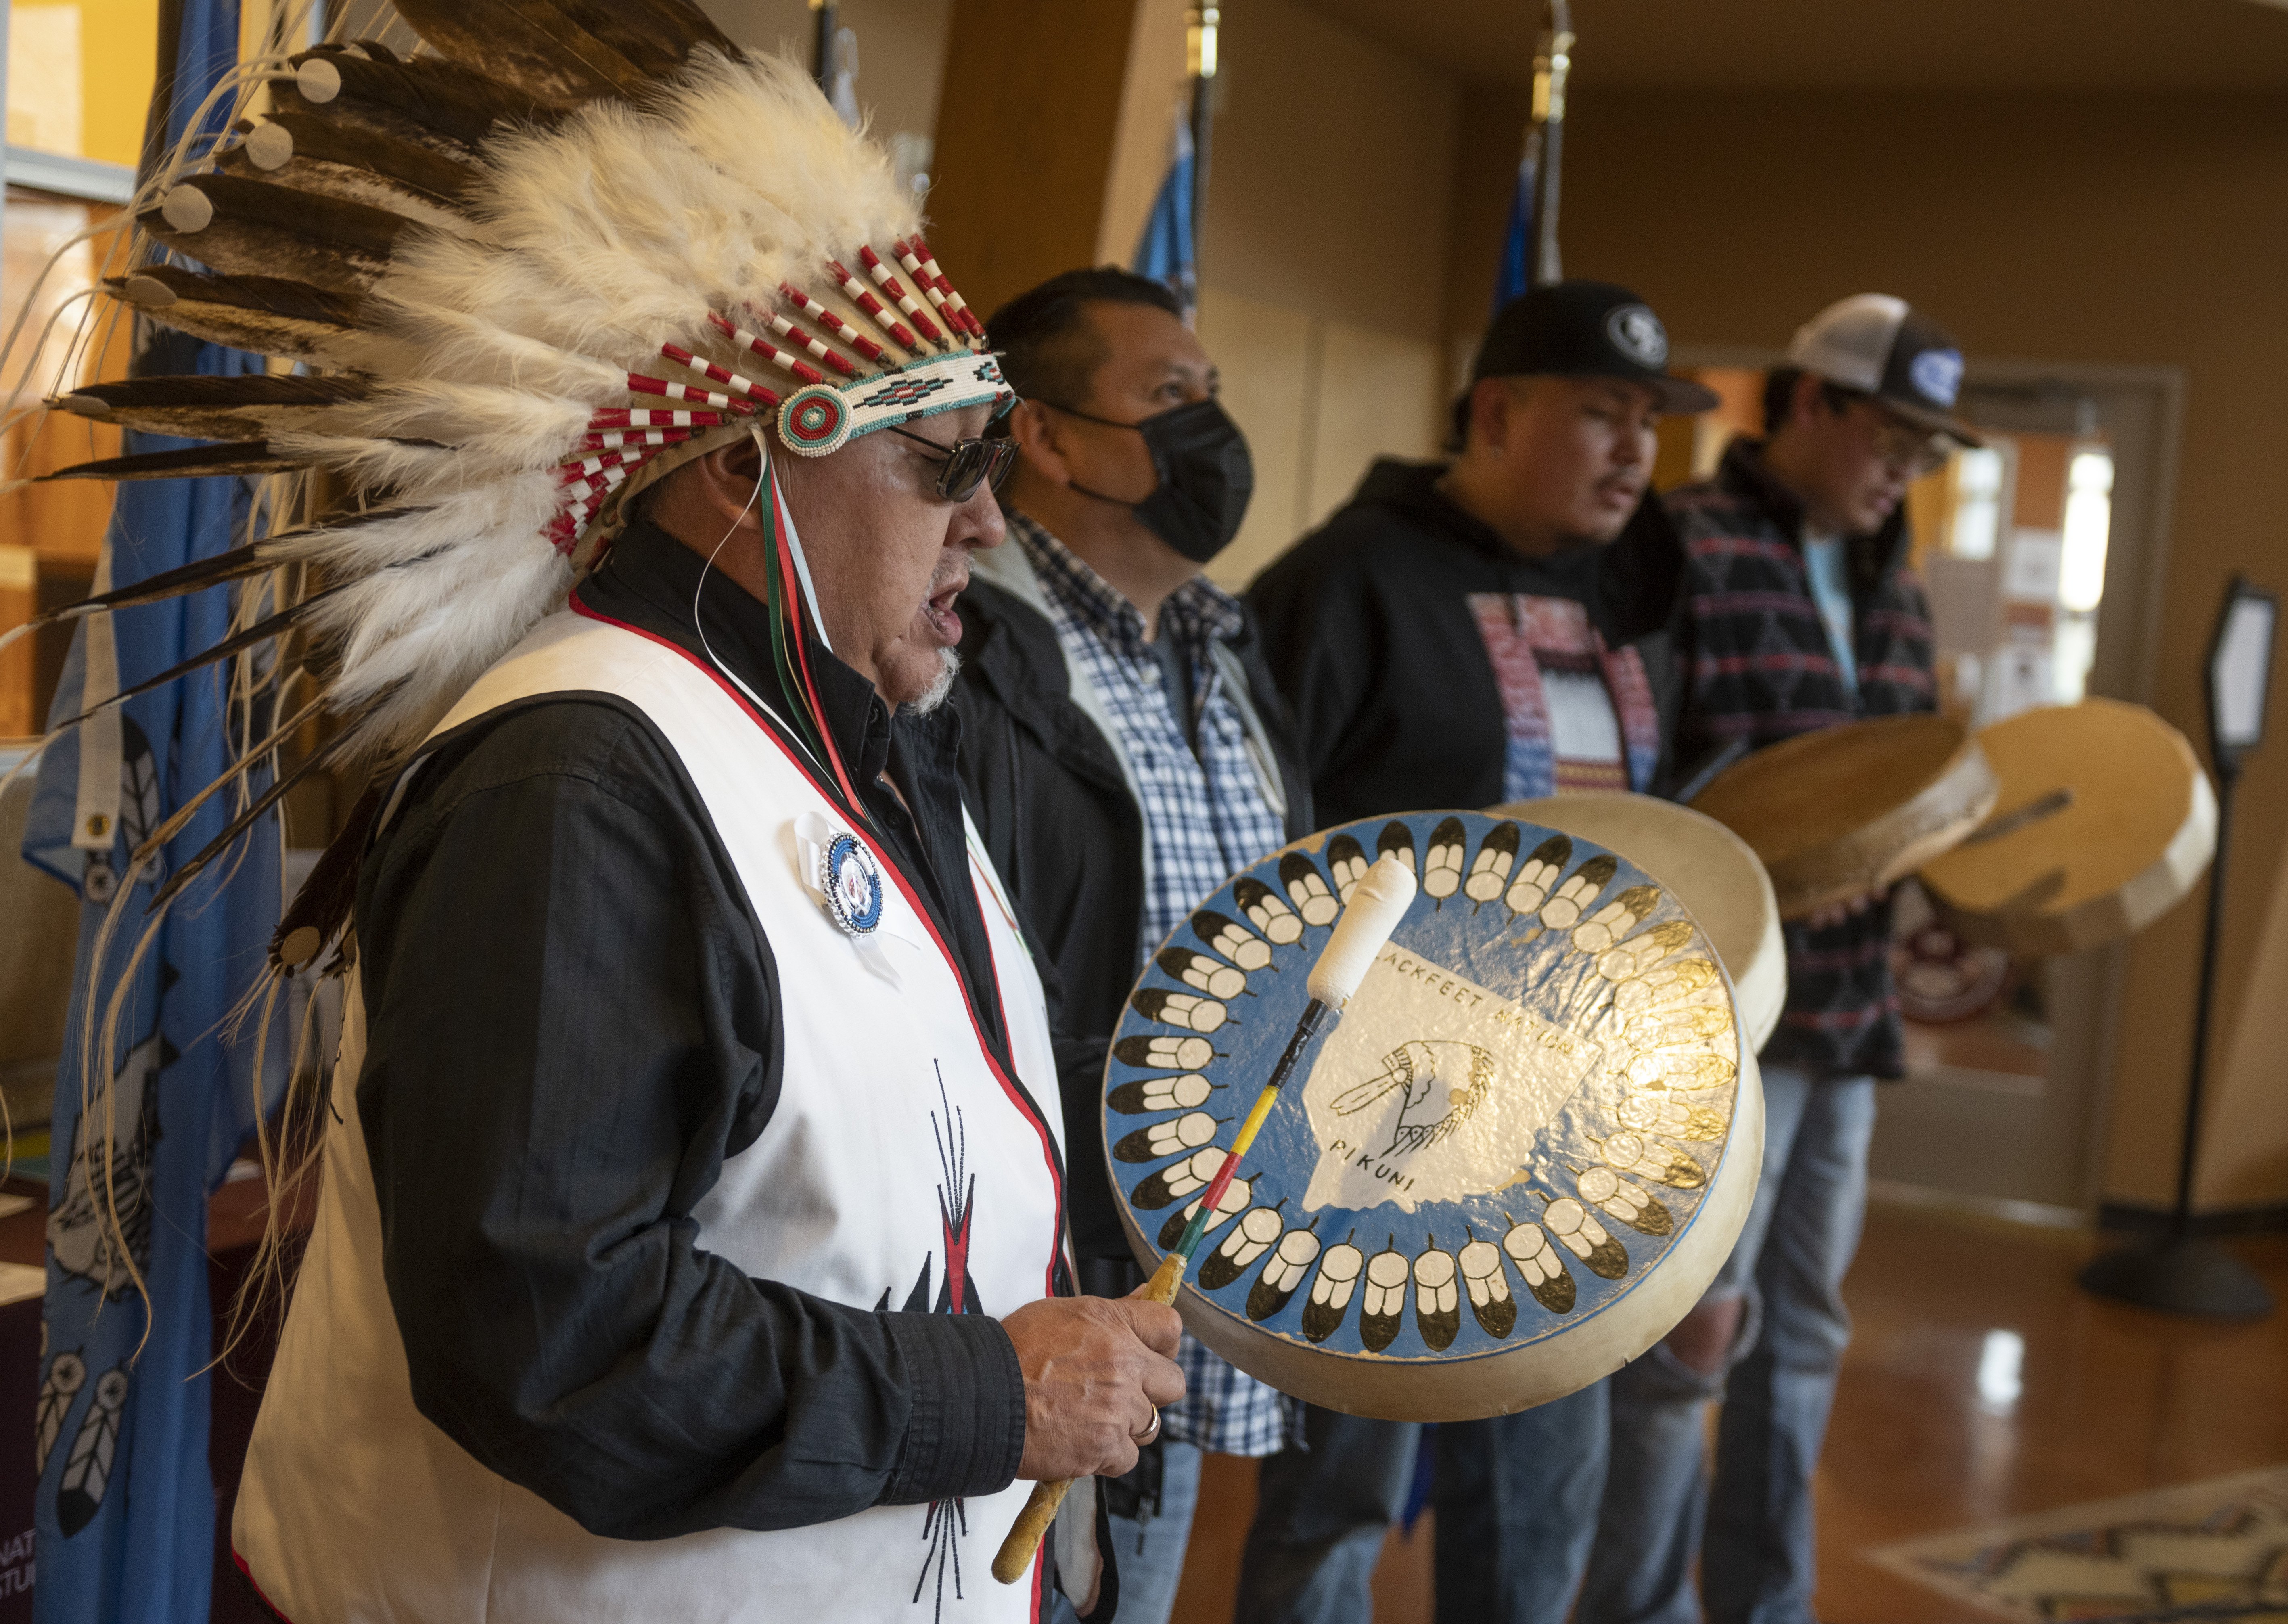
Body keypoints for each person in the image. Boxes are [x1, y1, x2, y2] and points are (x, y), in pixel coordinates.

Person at [27, 37, 1186, 1622]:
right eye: (944, 460)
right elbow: (552, 1337)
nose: (992, 513)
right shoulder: (576, 779)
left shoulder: (857, 739)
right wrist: (991, 1394)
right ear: (736, 466)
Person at [1239, 280, 1719, 1624]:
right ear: (1498, 413)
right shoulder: (1348, 582)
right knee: (1339, 1489)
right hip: (1372, 1124)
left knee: (1541, 1488)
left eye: (1650, 422)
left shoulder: (1627, 596)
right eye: (1602, 415)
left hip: (1580, 1121)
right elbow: (1263, 848)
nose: (1637, 450)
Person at [1580, 293, 1979, 1624]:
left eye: (1927, 455)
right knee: (1690, 1340)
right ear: (1812, 403)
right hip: (1725, 1022)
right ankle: (1638, 1610)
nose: (1905, 474)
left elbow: (1902, 792)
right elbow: (1639, 773)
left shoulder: (1897, 587)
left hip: (1853, 1028)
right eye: (1892, 440)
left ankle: (1768, 1605)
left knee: (1803, 1335)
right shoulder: (1682, 543)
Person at [952, 266, 1311, 1624]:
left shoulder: (1225, 646)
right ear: (1039, 435)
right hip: (1045, 1271)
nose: (1211, 431)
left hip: (1212, 1239)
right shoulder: (969, 643)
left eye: (1212, 395)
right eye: (1170, 397)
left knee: (1135, 1594)